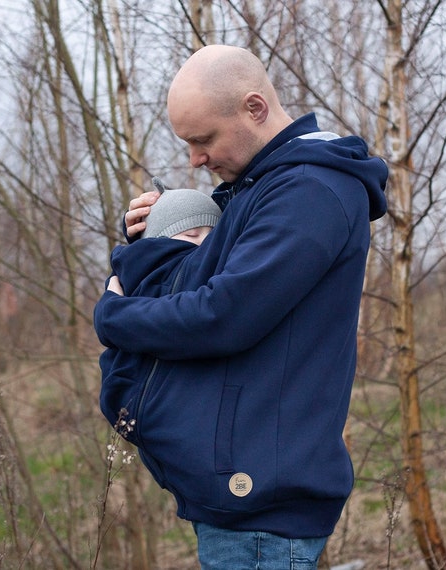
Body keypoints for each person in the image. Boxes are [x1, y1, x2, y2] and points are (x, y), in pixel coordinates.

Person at [94, 44, 388, 569]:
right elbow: (200, 275)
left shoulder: (311, 190)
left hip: (260, 503)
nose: (195, 159)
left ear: (254, 108)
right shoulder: (262, 188)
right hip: (246, 493)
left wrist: (114, 317)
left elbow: (221, 315)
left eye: (203, 139)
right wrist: (155, 232)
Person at [99, 180, 221, 430]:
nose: (204, 245)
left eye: (213, 237)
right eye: (192, 235)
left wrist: (110, 314)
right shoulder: (155, 272)